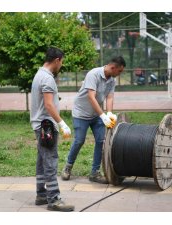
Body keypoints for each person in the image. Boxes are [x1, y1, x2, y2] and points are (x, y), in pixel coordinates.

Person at [61, 56, 126, 184]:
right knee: (79, 141)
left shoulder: (112, 80)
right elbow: (91, 97)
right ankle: (67, 167)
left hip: (96, 115)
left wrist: (110, 114)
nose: (119, 74)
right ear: (113, 67)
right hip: (81, 114)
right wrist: (103, 116)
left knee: (101, 141)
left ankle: (95, 173)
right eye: (119, 71)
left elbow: (110, 98)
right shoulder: (93, 74)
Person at [30, 47, 74, 212]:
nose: (61, 65)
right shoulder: (47, 79)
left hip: (39, 124)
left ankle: (41, 194)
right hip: (46, 125)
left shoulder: (39, 75)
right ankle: (54, 199)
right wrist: (62, 123)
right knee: (50, 159)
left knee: (42, 159)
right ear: (57, 60)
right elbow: (48, 104)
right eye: (61, 62)